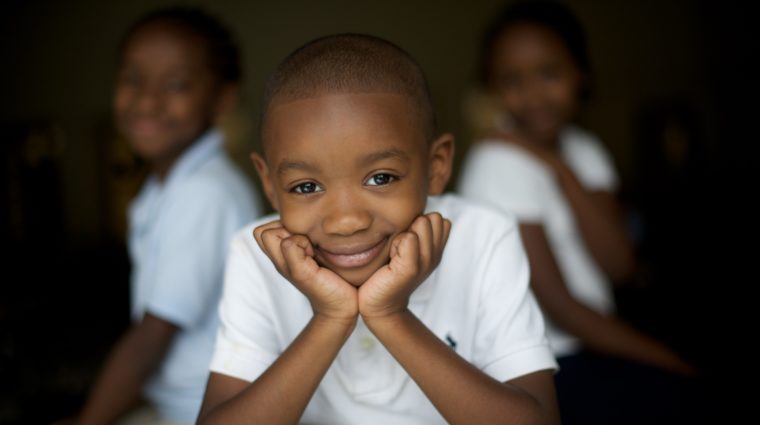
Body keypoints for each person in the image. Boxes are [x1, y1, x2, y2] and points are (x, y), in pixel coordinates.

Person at [197, 33, 560, 425]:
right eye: (306, 187)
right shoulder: (255, 255)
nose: (346, 220)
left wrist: (390, 315)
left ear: (436, 165)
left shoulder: (484, 234)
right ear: (269, 184)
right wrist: (330, 319)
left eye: (381, 178)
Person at [458, 2, 707, 423]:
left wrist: (557, 167)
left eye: (549, 73)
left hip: (597, 344)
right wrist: (668, 359)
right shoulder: (495, 163)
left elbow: (619, 264)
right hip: (542, 361)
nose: (533, 94)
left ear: (581, 74)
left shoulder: (584, 150)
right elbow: (560, 307)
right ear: (493, 90)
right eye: (512, 80)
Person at [55, 7, 261, 425]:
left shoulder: (204, 192)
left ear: (222, 98)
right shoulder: (169, 186)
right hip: (178, 404)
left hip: (204, 412)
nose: (147, 100)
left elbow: (151, 339)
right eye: (132, 79)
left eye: (176, 84)